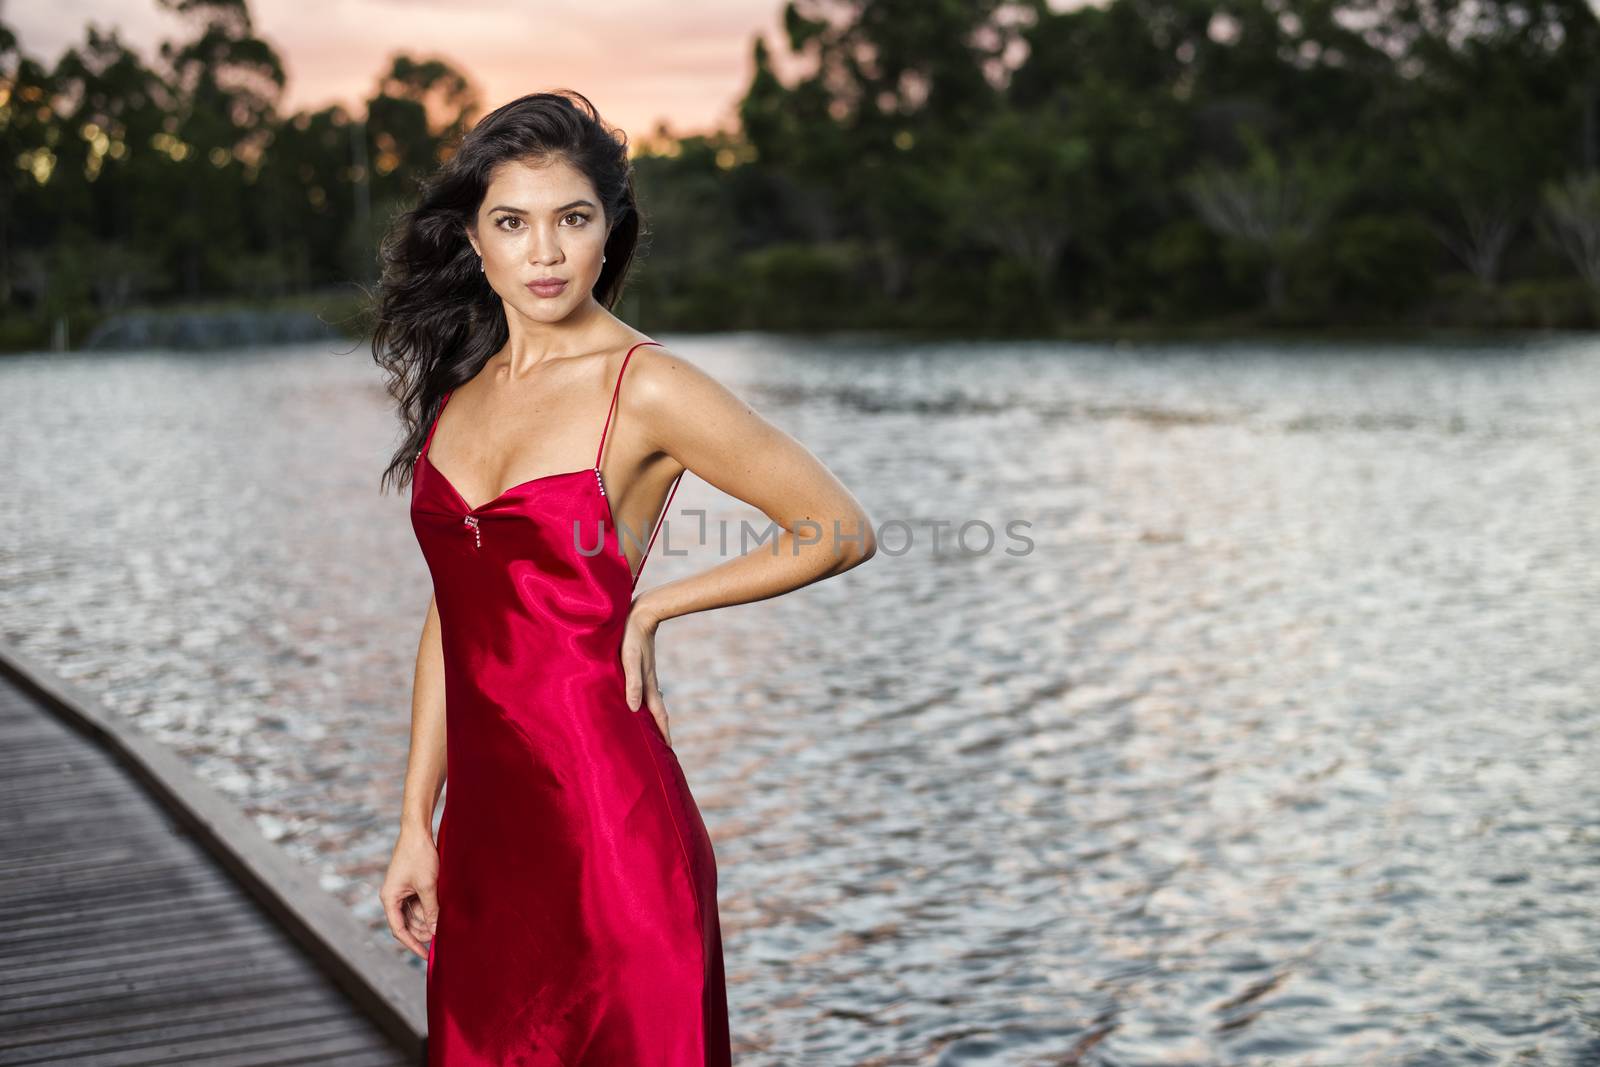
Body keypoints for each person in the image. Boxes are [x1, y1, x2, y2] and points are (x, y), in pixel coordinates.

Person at [369, 90, 877, 1065]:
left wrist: (656, 606)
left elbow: (837, 526)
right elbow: (454, 613)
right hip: (485, 849)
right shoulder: (460, 393)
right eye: (513, 222)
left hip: (615, 835)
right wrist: (413, 823)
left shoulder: (645, 385)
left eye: (574, 218)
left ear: (613, 229)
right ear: (475, 239)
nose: (545, 251)